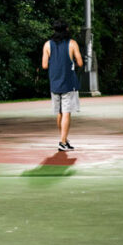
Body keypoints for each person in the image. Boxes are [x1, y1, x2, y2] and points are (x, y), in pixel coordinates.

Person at [41, 19, 83, 151]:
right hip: (68, 83)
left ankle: (64, 139)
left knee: (59, 113)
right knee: (66, 113)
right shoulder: (72, 43)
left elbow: (44, 65)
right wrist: (72, 64)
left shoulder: (47, 45)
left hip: (54, 83)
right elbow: (80, 63)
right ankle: (62, 142)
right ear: (66, 29)